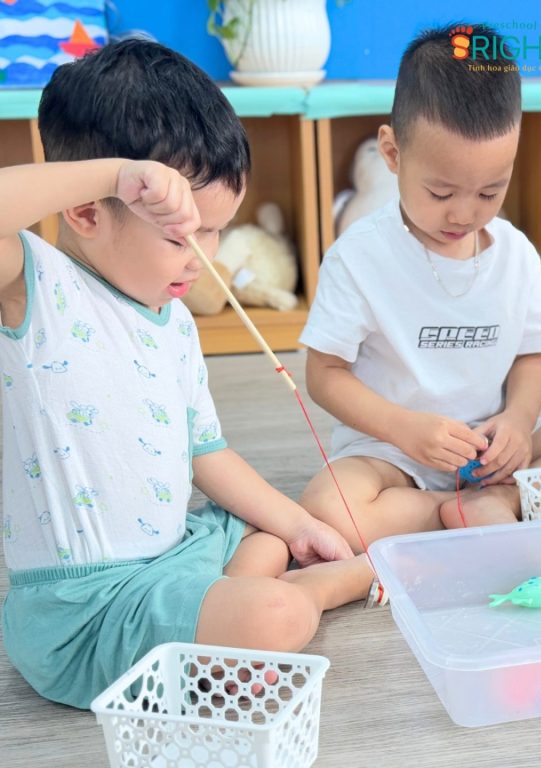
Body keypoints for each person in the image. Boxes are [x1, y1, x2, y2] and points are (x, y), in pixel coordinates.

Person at [0, 40, 373, 710]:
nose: (203, 258)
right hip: (86, 613)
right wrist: (114, 174)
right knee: (276, 614)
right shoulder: (33, 287)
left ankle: (228, 625)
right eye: (181, 236)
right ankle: (311, 594)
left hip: (174, 560)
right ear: (86, 210)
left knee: (262, 529)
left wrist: (297, 527)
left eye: (216, 231)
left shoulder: (173, 321)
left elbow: (206, 453)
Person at [299, 24, 541, 545]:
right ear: (392, 153)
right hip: (391, 453)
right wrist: (404, 428)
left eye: (489, 192)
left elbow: (532, 357)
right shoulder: (359, 257)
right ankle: (466, 510)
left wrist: (518, 422)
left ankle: (490, 499)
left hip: (490, 453)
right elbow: (324, 375)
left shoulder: (516, 254)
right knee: (330, 508)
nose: (464, 214)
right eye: (441, 192)